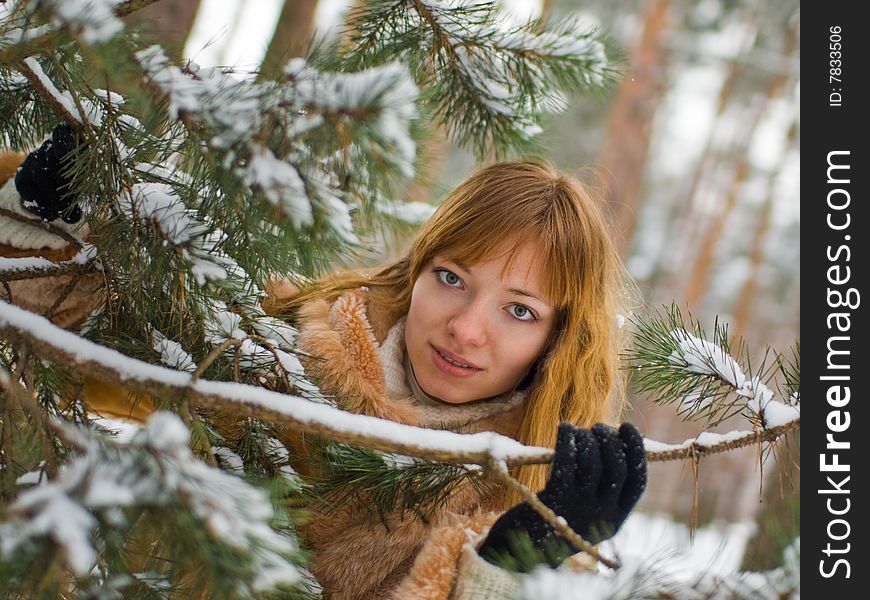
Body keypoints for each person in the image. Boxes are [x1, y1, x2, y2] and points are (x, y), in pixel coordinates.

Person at [0, 127, 648, 599]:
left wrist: (502, 575)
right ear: (416, 270)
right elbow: (68, 336)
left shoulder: (518, 495)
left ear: (559, 339)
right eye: (452, 278)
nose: (466, 328)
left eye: (520, 311)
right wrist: (44, 221)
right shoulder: (284, 339)